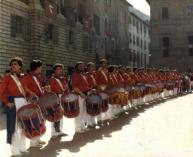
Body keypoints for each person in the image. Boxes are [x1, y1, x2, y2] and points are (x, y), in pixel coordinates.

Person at [0, 57, 28, 156]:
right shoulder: (7, 77)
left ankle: (22, 148)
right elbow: (1, 92)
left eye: (15, 64)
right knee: (14, 127)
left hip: (23, 102)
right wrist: (7, 102)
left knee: (23, 126)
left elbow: (24, 90)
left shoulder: (22, 77)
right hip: (13, 102)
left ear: (20, 66)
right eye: (12, 64)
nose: (13, 66)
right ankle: (14, 150)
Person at [22, 60, 46, 148]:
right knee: (33, 120)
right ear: (37, 67)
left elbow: (38, 88)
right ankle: (33, 142)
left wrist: (43, 89)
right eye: (41, 67)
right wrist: (32, 94)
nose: (42, 68)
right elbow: (25, 87)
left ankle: (38, 139)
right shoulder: (27, 77)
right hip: (32, 101)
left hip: (38, 101)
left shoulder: (36, 77)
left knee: (39, 120)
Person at [48, 63, 68, 138]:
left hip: (62, 97)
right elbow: (50, 91)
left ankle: (60, 131)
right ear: (54, 71)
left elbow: (65, 89)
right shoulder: (51, 80)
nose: (60, 71)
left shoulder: (63, 79)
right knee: (54, 115)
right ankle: (53, 133)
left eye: (61, 69)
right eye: (58, 69)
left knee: (61, 114)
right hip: (55, 97)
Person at [71, 61, 90, 133]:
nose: (82, 67)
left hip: (85, 94)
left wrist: (89, 90)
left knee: (83, 111)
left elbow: (86, 85)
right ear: (76, 67)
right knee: (79, 112)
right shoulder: (75, 75)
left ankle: (82, 126)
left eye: (82, 66)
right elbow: (74, 87)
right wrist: (81, 93)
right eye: (80, 66)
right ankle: (78, 128)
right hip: (79, 95)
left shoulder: (83, 75)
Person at [86, 62, 97, 127]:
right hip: (89, 92)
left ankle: (93, 121)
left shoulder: (93, 75)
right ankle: (89, 123)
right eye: (91, 67)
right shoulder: (86, 75)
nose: (93, 68)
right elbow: (86, 85)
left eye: (93, 67)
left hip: (94, 92)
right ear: (87, 68)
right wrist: (91, 89)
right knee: (89, 107)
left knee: (94, 106)